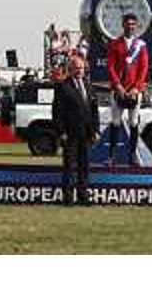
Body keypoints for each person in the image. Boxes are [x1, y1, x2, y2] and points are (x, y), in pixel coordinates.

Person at [52, 56, 100, 205]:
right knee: (69, 167)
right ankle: (68, 198)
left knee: (84, 167)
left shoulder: (89, 86)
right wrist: (61, 132)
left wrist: (95, 131)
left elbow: (94, 111)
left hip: (86, 134)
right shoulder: (62, 86)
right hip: (70, 135)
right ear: (70, 69)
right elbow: (57, 112)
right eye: (77, 68)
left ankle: (83, 196)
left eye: (82, 68)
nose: (80, 71)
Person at [107, 13, 149, 165]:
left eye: (133, 24)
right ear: (123, 25)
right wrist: (117, 85)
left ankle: (133, 156)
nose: (130, 26)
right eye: (128, 23)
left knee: (133, 123)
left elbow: (144, 68)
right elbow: (110, 66)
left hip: (134, 91)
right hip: (118, 90)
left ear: (136, 26)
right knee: (115, 122)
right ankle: (111, 156)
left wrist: (137, 88)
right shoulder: (114, 44)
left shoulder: (141, 46)